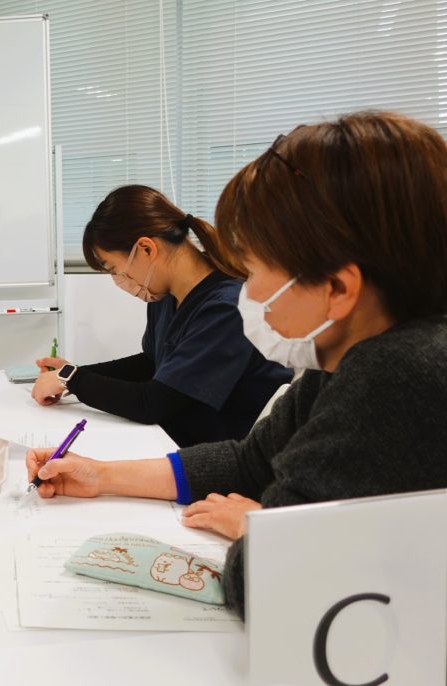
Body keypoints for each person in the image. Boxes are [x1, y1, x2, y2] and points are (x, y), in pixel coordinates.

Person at [26, 111, 447, 618]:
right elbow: (250, 463)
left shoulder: (396, 375)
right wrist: (99, 474)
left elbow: (263, 583)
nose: (248, 288)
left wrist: (257, 526)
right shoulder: (338, 359)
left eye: (256, 266)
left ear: (337, 288)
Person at [32, 185, 292, 447]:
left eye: (114, 269)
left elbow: (152, 403)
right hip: (177, 437)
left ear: (146, 249)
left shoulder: (226, 307)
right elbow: (152, 362)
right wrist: (70, 374)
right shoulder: (165, 295)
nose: (118, 280)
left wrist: (72, 379)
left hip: (219, 452)